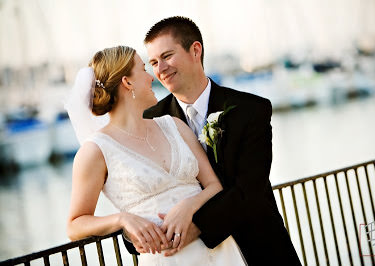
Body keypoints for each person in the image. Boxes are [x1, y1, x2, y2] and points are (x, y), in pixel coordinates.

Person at [123, 16, 302, 265]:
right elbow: (141, 188)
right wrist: (139, 235)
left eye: (167, 56)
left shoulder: (250, 110)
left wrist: (192, 228)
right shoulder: (151, 119)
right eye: (153, 62)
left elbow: (249, 190)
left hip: (259, 250)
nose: (160, 69)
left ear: (195, 50)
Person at [65, 46, 247, 265]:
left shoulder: (175, 126)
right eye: (143, 69)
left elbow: (214, 186)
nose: (152, 78)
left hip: (221, 253)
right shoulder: (94, 150)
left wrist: (188, 206)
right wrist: (122, 220)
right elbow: (75, 225)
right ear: (127, 82)